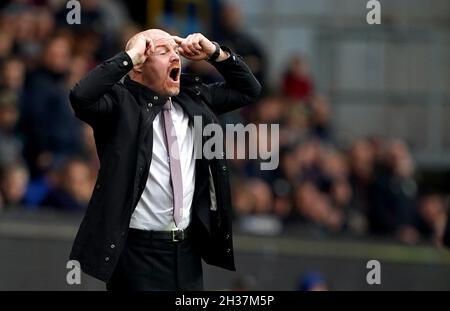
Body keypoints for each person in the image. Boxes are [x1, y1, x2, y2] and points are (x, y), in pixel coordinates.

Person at [68, 29, 261, 290]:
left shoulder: (195, 98)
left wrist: (215, 53)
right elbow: (81, 96)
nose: (175, 57)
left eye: (176, 51)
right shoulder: (120, 104)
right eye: (162, 51)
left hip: (187, 250)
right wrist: (129, 56)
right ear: (138, 68)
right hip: (137, 252)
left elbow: (249, 90)